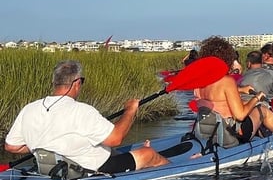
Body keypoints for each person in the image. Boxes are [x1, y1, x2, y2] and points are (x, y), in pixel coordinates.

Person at [4, 60, 169, 173]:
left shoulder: (29, 109)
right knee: (148, 154)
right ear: (77, 83)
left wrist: (46, 144)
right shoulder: (82, 110)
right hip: (89, 170)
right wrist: (130, 110)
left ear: (54, 83)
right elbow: (116, 138)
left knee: (113, 151)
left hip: (50, 169)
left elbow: (12, 147)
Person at [194, 36, 273, 139]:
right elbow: (240, 115)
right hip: (230, 132)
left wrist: (241, 90)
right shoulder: (227, 81)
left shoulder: (199, 82)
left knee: (247, 104)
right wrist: (257, 98)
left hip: (208, 129)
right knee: (263, 110)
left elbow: (217, 97)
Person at [238, 50, 273, 114]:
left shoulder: (240, 77)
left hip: (245, 108)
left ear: (249, 63)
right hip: (266, 108)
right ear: (262, 62)